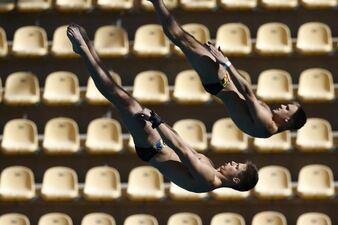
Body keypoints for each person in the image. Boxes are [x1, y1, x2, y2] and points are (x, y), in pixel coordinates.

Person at [66, 24, 258, 193]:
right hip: (159, 142)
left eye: (237, 166)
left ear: (236, 179)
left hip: (152, 149)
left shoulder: (208, 179)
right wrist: (163, 127)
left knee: (122, 99)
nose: (233, 163)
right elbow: (183, 145)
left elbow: (182, 150)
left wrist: (158, 122)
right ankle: (88, 50)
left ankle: (84, 52)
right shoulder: (211, 169)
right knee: (122, 97)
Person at [149, 0, 306, 138]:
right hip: (222, 81)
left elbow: (247, 92)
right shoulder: (269, 117)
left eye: (287, 108)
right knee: (184, 38)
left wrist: (225, 63)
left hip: (218, 82)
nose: (282, 105)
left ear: (288, 120)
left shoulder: (268, 125)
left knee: (181, 38)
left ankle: (156, 2)